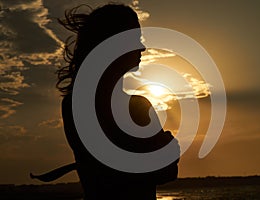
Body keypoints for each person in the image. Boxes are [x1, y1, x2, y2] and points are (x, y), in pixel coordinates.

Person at [32, 4, 179, 200]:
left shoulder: (73, 105)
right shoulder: (137, 107)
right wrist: (167, 151)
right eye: (136, 39)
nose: (142, 47)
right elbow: (163, 173)